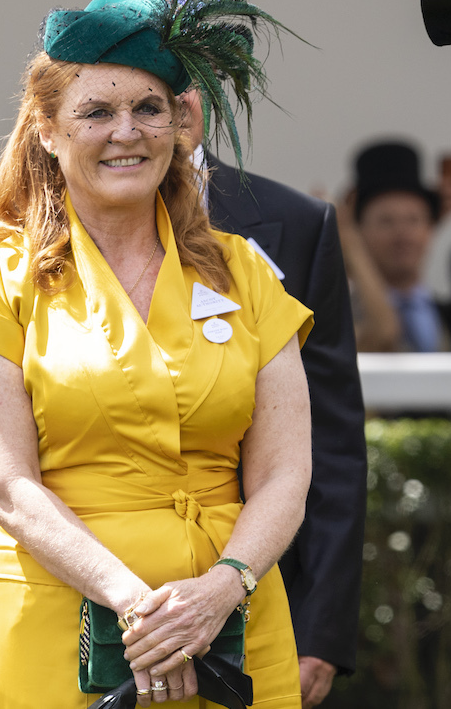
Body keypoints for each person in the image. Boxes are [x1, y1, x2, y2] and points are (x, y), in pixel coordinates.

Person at [0, 0, 315, 707]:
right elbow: (4, 483)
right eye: (95, 111)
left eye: (147, 108)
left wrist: (220, 589)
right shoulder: (0, 281)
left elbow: (283, 472)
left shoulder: (242, 271)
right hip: (56, 626)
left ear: (179, 124)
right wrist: (138, 604)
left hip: (228, 625)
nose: (125, 131)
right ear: (47, 130)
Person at [182, 89, 367, 706]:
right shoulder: (21, 225)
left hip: (258, 589)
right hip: (68, 586)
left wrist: (323, 627)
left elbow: (332, 440)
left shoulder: (297, 221)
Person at [341, 140, 448, 352]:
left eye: (414, 220)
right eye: (386, 221)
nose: (403, 235)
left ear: (431, 228)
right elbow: (383, 333)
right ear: (358, 230)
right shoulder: (341, 315)